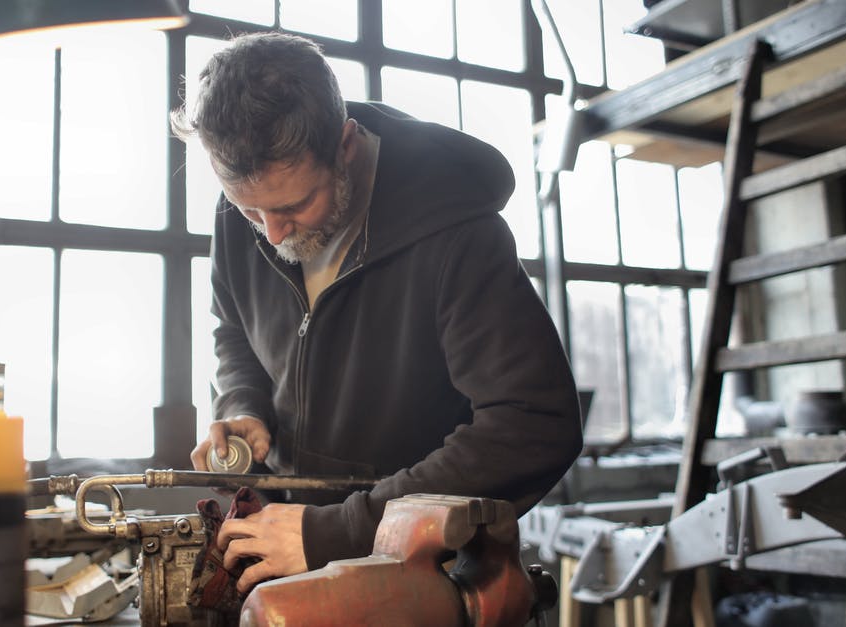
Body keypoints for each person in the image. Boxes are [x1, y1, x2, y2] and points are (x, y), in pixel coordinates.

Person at [170, 32, 583, 594]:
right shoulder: (243, 210)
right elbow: (234, 331)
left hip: (426, 576)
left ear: (345, 144)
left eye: (293, 206)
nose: (270, 233)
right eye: (248, 210)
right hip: (282, 554)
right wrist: (243, 403)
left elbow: (531, 425)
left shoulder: (459, 234)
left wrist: (338, 531)